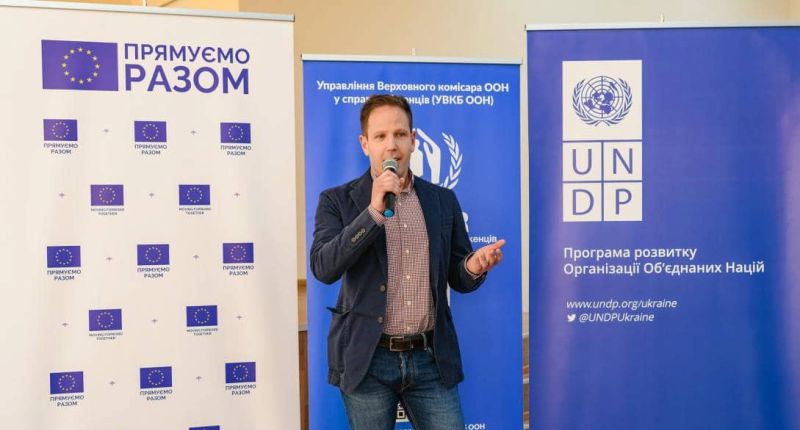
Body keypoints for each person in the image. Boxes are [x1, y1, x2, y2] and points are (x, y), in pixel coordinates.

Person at [310, 94, 505, 429]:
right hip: (367, 360)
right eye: (380, 136)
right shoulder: (337, 200)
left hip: (430, 358)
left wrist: (473, 267)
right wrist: (373, 212)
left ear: (413, 140)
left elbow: (457, 273)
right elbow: (324, 267)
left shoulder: (442, 200)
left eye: (400, 134)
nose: (391, 145)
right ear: (365, 144)